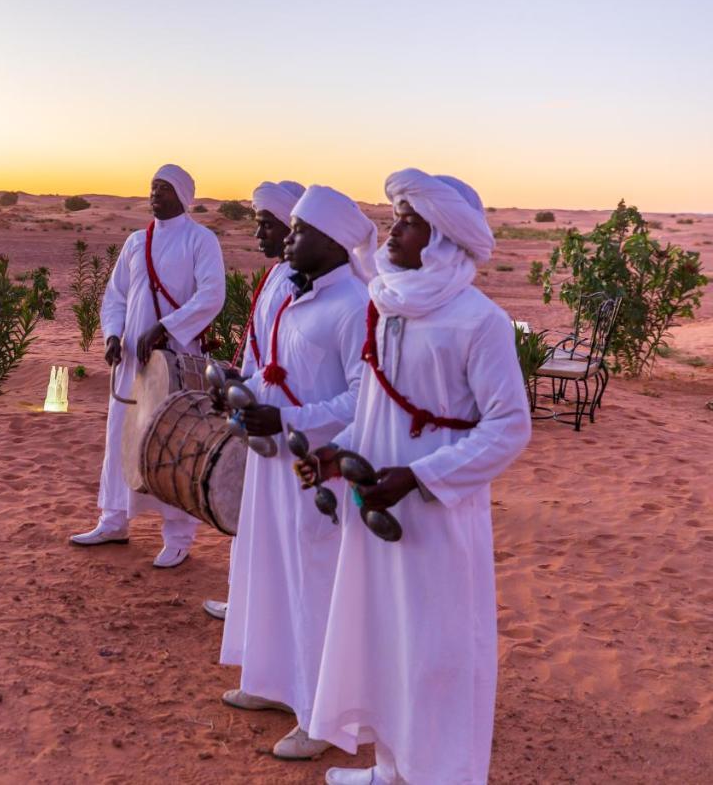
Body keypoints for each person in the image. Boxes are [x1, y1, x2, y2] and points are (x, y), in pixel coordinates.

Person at [299, 170, 532, 785]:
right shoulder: (386, 301)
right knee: (383, 641)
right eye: (397, 217)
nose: (394, 230)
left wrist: (421, 478)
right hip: (374, 509)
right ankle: (390, 769)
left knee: (434, 652)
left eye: (408, 220)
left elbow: (509, 426)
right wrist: (337, 452)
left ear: (443, 236)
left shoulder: (479, 321)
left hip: (435, 521)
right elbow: (376, 409)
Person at [219, 185, 375, 761]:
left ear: (334, 242)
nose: (288, 238)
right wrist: (242, 397)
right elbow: (275, 371)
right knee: (273, 568)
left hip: (319, 470)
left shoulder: (356, 306)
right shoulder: (295, 297)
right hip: (274, 461)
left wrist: (287, 417)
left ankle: (323, 714)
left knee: (315, 583)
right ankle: (275, 683)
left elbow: (363, 404)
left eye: (299, 231)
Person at [70, 164, 225, 567]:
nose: (154, 193)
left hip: (175, 358)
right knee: (122, 435)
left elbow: (212, 295)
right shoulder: (136, 241)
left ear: (183, 196)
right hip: (130, 362)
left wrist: (164, 327)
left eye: (164, 187)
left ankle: (177, 536)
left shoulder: (201, 239)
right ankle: (114, 520)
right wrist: (112, 336)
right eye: (153, 186)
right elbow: (116, 295)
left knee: (171, 441)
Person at [202, 180, 305, 621]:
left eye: (266, 224)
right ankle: (246, 601)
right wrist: (237, 376)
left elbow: (288, 356)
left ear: (290, 226)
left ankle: (262, 608)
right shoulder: (276, 274)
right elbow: (260, 345)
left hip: (284, 418)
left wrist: (255, 389)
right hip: (260, 407)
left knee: (278, 519)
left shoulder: (296, 281)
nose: (258, 234)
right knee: (255, 513)